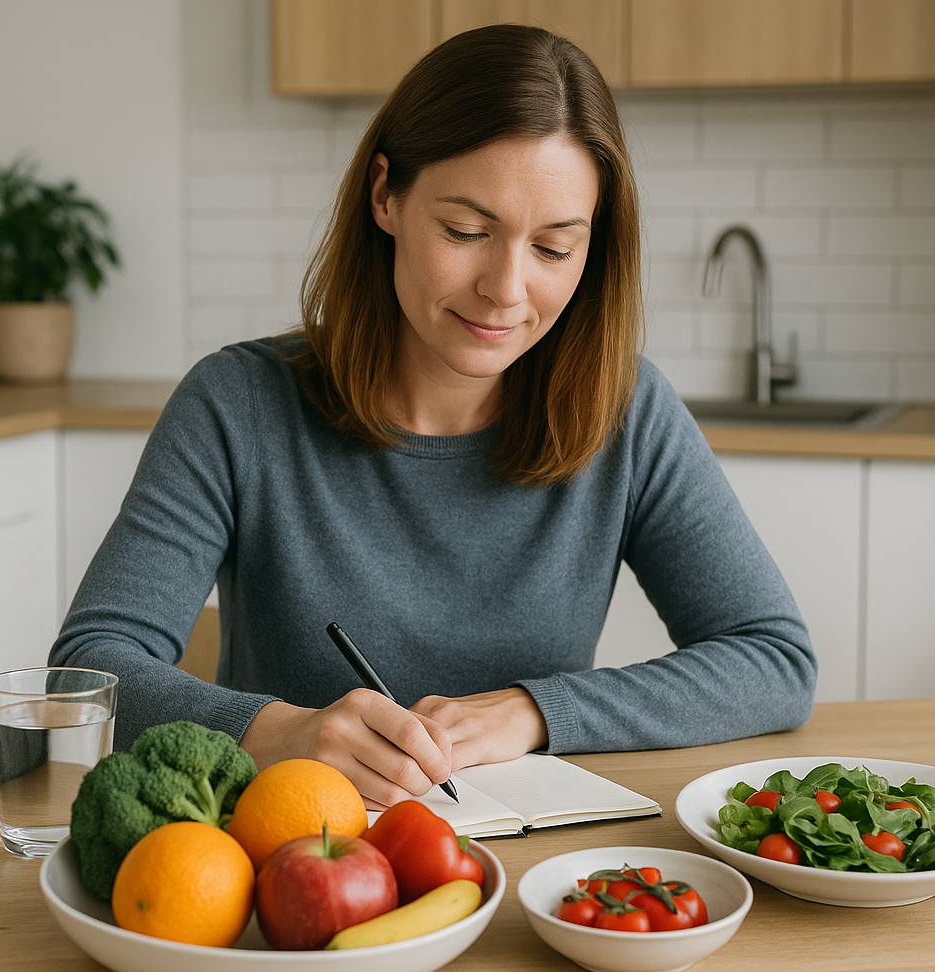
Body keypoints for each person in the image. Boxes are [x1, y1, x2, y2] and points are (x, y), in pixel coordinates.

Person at [50, 24, 816, 807]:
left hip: (535, 870)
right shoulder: (237, 404)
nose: (506, 289)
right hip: (296, 862)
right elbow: (90, 668)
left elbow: (774, 660)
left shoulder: (627, 412)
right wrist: (279, 734)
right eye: (466, 232)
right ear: (385, 195)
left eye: (554, 248)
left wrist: (532, 711)